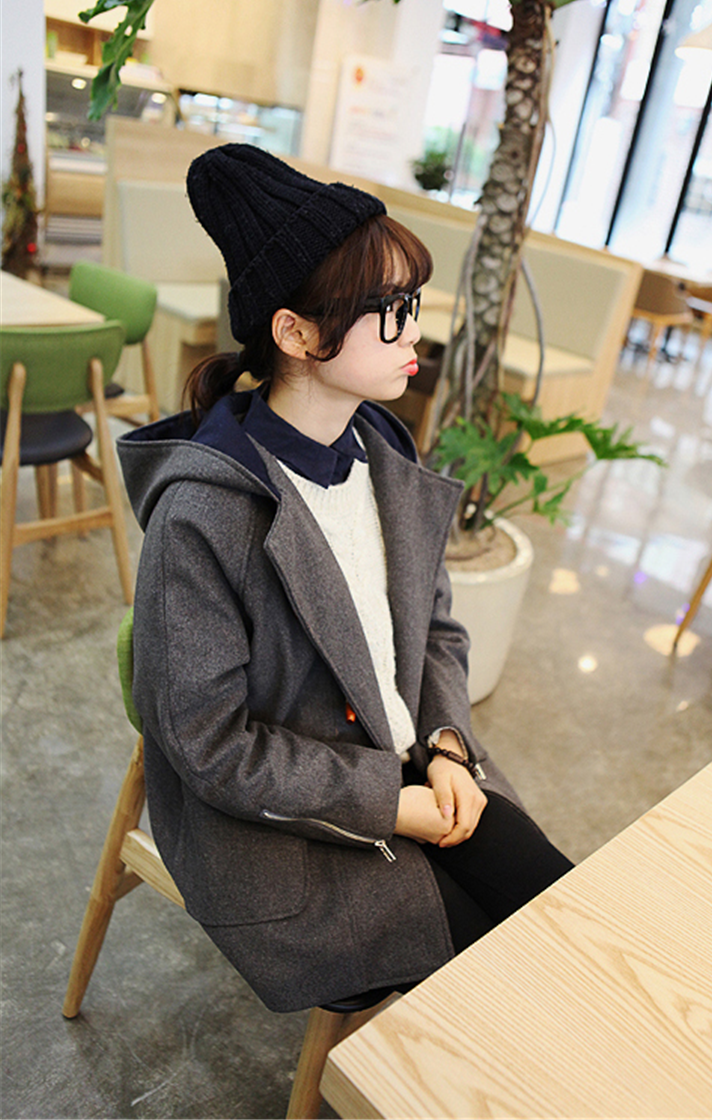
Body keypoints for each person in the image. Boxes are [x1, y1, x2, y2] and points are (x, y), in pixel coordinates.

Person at [118, 145, 573, 1014]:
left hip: (419, 766)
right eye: (391, 312)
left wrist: (447, 745)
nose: (414, 334)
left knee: (568, 919)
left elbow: (435, 629)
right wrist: (389, 802)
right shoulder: (205, 515)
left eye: (414, 305)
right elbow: (213, 747)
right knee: (504, 998)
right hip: (286, 831)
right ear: (295, 333)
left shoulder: (383, 449)